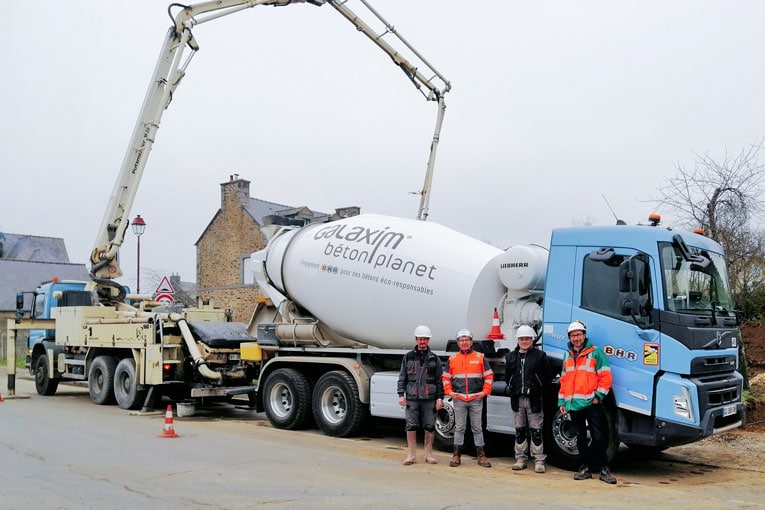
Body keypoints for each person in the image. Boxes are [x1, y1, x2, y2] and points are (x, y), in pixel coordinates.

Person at [558, 320, 617, 484]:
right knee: (580, 438)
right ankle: (584, 469)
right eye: (573, 335)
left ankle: (604, 470)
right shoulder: (567, 355)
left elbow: (605, 376)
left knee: (598, 437)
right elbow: (564, 380)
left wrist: (598, 396)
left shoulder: (596, 353)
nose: (576, 338)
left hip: (592, 403)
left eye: (579, 334)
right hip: (574, 403)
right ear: (569, 337)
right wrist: (562, 401)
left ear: (584, 335)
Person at [442, 329, 494, 468]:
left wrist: (485, 392)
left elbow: (489, 375)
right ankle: (456, 455)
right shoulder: (452, 360)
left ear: (471, 342)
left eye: (467, 340)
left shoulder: (480, 357)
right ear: (458, 343)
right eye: (461, 340)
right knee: (459, 428)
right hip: (459, 399)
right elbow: (446, 377)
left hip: (476, 399)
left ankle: (481, 456)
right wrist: (449, 392)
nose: (464, 342)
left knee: (477, 428)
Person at [505, 324, 552, 473]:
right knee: (519, 430)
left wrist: (538, 386)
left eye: (527, 338)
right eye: (522, 339)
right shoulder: (511, 357)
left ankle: (539, 460)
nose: (524, 341)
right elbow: (508, 377)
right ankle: (520, 459)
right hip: (517, 399)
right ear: (518, 340)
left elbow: (547, 375)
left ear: (532, 339)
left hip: (534, 399)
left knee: (536, 430)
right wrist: (513, 386)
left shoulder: (540, 356)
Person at [397, 325, 444, 465]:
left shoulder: (434, 359)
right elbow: (402, 377)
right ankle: (411, 455)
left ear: (428, 340)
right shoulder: (408, 357)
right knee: (410, 425)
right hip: (412, 397)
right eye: (420, 339)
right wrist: (401, 394)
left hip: (429, 398)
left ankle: (428, 454)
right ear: (416, 339)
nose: (422, 341)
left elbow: (439, 380)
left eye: (425, 339)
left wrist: (440, 398)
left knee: (429, 425)